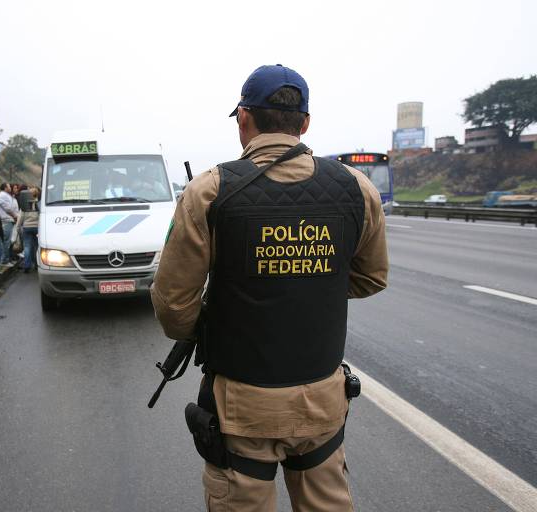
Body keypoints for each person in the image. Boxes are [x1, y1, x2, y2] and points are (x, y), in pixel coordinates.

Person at [151, 64, 388, 512]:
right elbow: (371, 277)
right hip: (323, 396)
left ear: (244, 118)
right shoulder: (356, 188)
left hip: (243, 403)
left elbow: (173, 304)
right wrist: (308, 282)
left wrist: (206, 320)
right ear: (305, 123)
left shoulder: (208, 190)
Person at [16, 187, 39, 272]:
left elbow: (20, 218)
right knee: (37, 247)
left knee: (27, 247)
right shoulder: (39, 204)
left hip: (27, 228)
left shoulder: (24, 204)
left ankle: (27, 265)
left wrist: (18, 228)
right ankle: (37, 264)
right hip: (37, 228)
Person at [0, 182, 20, 265]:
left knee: (10, 241)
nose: (10, 187)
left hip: (11, 220)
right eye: (8, 186)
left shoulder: (8, 196)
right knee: (6, 241)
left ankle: (9, 258)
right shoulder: (3, 195)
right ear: (5, 188)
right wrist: (15, 216)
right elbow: (8, 208)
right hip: (6, 221)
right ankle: (4, 260)